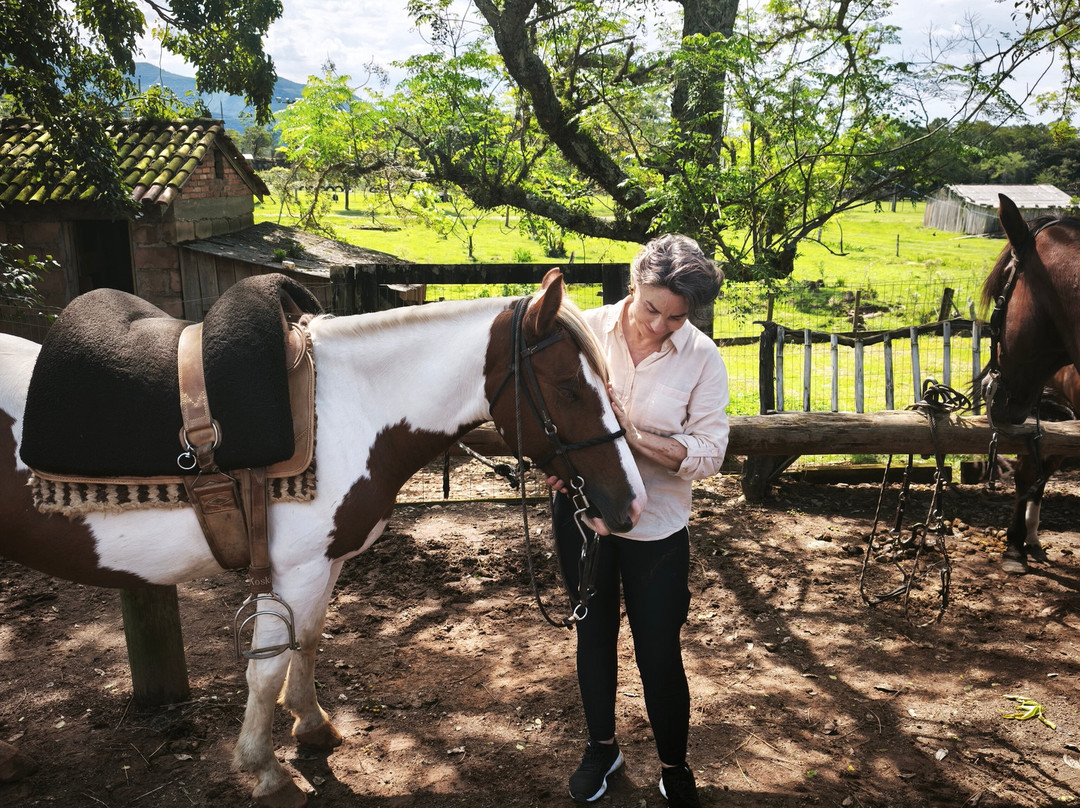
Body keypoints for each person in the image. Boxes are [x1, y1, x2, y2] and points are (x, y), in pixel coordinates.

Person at [548, 233, 729, 807]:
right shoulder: (580, 330)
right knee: (592, 636)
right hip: (581, 515)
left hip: (658, 529)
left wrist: (636, 439)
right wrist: (560, 464)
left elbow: (709, 451)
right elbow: (554, 413)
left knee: (658, 648)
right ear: (634, 285)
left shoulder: (702, 357)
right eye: (652, 308)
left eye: (676, 318)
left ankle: (675, 764)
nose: (659, 325)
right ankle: (602, 747)